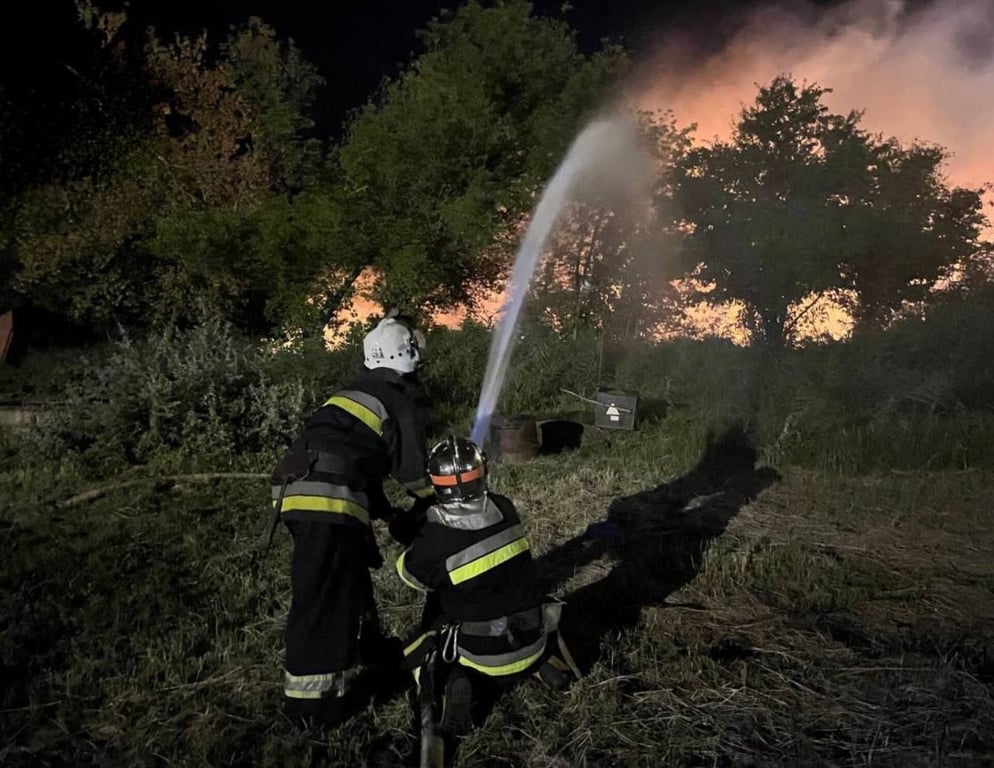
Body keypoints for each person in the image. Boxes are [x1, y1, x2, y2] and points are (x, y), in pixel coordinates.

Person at [269, 313, 436, 728]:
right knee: (323, 596)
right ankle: (313, 708)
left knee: (350, 573)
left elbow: (358, 465)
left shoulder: (351, 394)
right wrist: (440, 505)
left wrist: (388, 514)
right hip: (328, 499)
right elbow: (414, 473)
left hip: (297, 492)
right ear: (408, 357)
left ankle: (371, 650)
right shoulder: (399, 400)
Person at [394, 436, 581, 738]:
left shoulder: (436, 538)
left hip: (483, 654)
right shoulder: (505, 507)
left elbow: (410, 576)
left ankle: (456, 679)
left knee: (417, 649)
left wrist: (416, 529)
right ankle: (538, 664)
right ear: (482, 474)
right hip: (535, 635)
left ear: (436, 483)